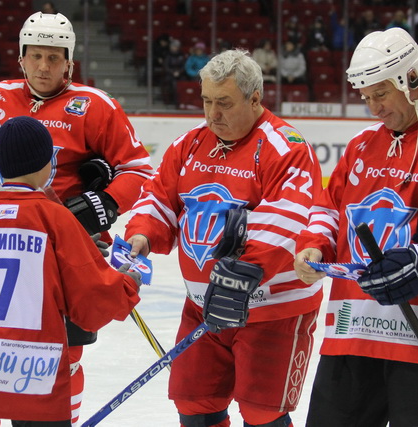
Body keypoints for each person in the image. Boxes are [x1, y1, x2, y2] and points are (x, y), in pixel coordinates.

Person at [0, 11, 153, 425]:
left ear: (69, 63)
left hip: (65, 248)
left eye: (54, 58)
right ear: (21, 58)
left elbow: (138, 169)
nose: (44, 66)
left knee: (63, 355)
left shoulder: (94, 105)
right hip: (3, 240)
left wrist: (103, 204)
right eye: (36, 56)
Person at [125, 49, 324, 427]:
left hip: (272, 310)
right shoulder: (189, 144)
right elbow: (158, 199)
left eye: (224, 103)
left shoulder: (286, 147)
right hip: (202, 305)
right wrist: (140, 237)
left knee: (262, 412)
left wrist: (242, 274)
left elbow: (288, 220)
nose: (212, 114)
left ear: (255, 99)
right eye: (206, 101)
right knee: (194, 403)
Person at [0, 115, 141, 427]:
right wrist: (127, 283)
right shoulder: (57, 218)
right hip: (35, 363)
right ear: (48, 164)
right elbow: (91, 296)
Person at [294, 27, 418, 426]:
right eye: (366, 97)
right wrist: (314, 245)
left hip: (412, 340)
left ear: (411, 79)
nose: (373, 107)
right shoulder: (361, 145)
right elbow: (328, 208)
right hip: (353, 328)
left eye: (381, 93)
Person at [161, 38, 186, 106]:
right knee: (170, 83)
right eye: (173, 46)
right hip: (170, 74)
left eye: (176, 46)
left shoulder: (181, 55)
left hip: (180, 74)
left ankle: (181, 100)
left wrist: (179, 72)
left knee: (183, 82)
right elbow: (166, 67)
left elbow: (184, 66)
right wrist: (172, 72)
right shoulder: (167, 55)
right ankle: (169, 100)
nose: (174, 48)